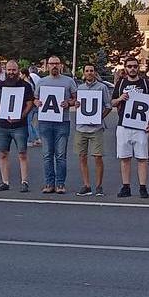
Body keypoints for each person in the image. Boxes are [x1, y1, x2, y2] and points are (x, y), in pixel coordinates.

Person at [34, 56, 77, 194]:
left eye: (56, 64)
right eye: (51, 64)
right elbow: (35, 99)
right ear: (47, 66)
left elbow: (76, 99)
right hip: (45, 122)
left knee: (60, 155)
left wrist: (68, 103)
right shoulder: (41, 82)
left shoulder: (68, 81)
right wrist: (37, 103)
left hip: (62, 122)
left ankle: (60, 184)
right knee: (47, 154)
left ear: (61, 66)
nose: (54, 66)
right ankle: (48, 183)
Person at [112, 56, 149, 198]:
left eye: (135, 66)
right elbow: (112, 102)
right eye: (129, 66)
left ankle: (143, 187)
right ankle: (126, 186)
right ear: (125, 68)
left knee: (142, 158)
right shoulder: (121, 83)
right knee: (125, 157)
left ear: (138, 67)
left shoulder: (146, 84)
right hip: (123, 124)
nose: (132, 68)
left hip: (140, 125)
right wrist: (119, 99)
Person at [0, 60, 35, 192]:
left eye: (14, 70)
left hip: (19, 126)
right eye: (9, 70)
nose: (11, 72)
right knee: (3, 154)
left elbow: (30, 104)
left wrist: (21, 116)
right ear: (6, 70)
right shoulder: (1, 86)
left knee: (22, 154)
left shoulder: (26, 86)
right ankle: (5, 182)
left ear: (18, 70)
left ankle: (24, 181)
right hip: (3, 126)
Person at [74, 64, 112, 196]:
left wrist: (98, 117)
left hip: (96, 128)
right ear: (84, 73)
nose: (89, 73)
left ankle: (99, 186)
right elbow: (77, 104)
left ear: (95, 73)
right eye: (87, 71)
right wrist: (76, 104)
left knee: (97, 157)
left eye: (91, 71)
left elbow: (108, 106)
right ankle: (86, 185)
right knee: (82, 156)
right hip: (81, 127)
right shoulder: (80, 88)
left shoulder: (102, 87)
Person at [21, 67, 41, 147]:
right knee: (31, 122)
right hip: (33, 104)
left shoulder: (26, 84)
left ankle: (30, 140)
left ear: (24, 74)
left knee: (28, 122)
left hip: (29, 104)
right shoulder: (30, 81)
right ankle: (37, 138)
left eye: (20, 74)